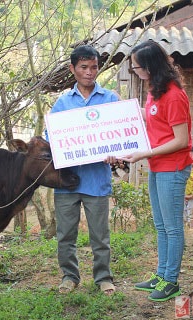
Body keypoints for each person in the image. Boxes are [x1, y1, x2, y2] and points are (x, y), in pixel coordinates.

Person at [105, 40, 192, 302]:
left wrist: (145, 153)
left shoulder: (175, 95)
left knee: (173, 227)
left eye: (137, 67)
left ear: (150, 66)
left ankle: (171, 281)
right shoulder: (155, 89)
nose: (135, 71)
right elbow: (152, 116)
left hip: (173, 168)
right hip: (158, 166)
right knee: (161, 225)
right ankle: (161, 273)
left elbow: (181, 140)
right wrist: (125, 106)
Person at [49, 45, 118, 296]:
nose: (89, 73)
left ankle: (103, 278)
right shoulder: (62, 102)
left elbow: (120, 134)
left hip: (97, 180)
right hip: (66, 181)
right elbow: (51, 136)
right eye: (84, 67)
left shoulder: (110, 99)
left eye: (94, 67)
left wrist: (114, 151)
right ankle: (69, 276)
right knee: (65, 235)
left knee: (100, 236)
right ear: (73, 69)